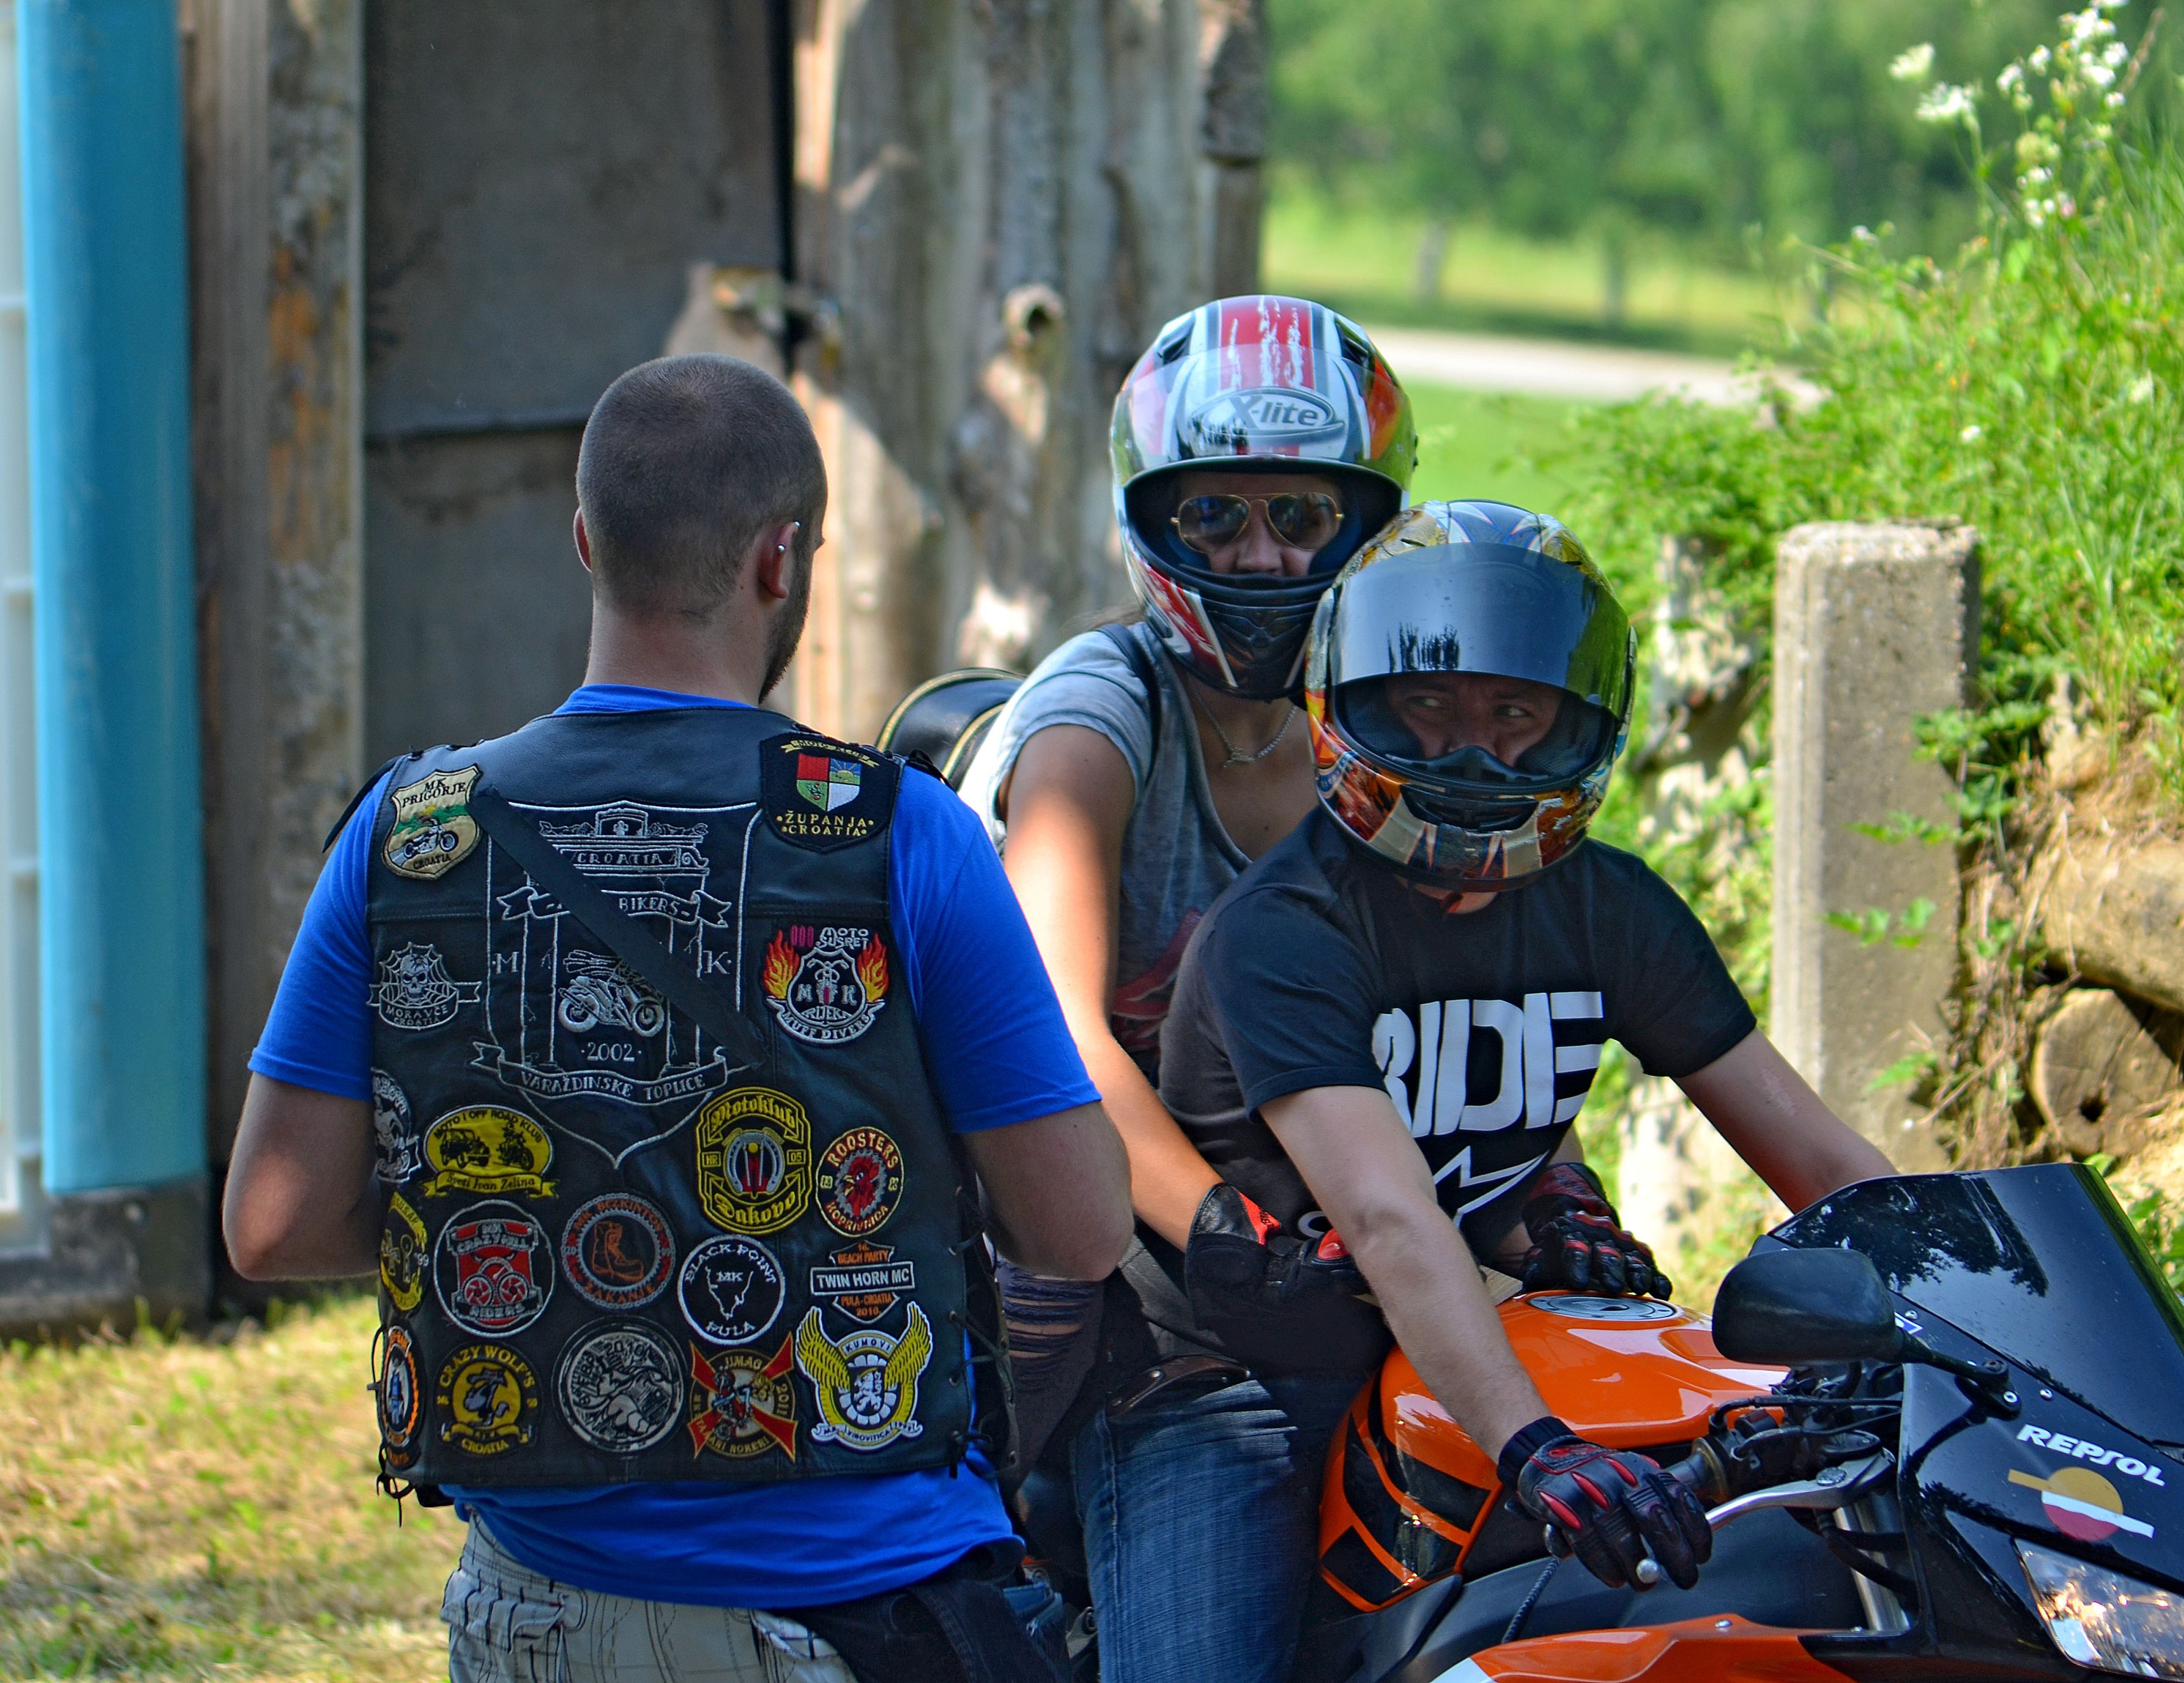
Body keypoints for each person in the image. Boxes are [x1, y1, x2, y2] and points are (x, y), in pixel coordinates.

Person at [224, 353, 1133, 1683]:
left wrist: (511, 1197)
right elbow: (1081, 1226)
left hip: (539, 1603)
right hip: (859, 1604)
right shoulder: (906, 835)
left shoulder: (406, 834)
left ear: (586, 540)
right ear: (783, 561)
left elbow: (274, 1221)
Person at [1109, 501, 1901, 1679]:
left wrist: (1979, 1335)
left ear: (1576, 725)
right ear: (1352, 710)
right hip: (1235, 1376)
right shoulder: (1283, 931)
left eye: (1515, 714)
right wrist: (1535, 1447)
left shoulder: (1611, 907)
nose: (1473, 756)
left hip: (1458, 1342)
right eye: (1427, 707)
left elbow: (1831, 1166)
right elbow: (1388, 1217)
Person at [954, 297, 1417, 1523]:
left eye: (1303, 515)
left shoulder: (1373, 721)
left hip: (1347, 1246)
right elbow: (1052, 1033)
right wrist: (1224, 1229)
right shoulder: (1099, 717)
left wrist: (1552, 1196)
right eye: (1215, 514)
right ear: (1151, 520)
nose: (1263, 558)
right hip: (1122, 1279)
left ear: (1368, 522)